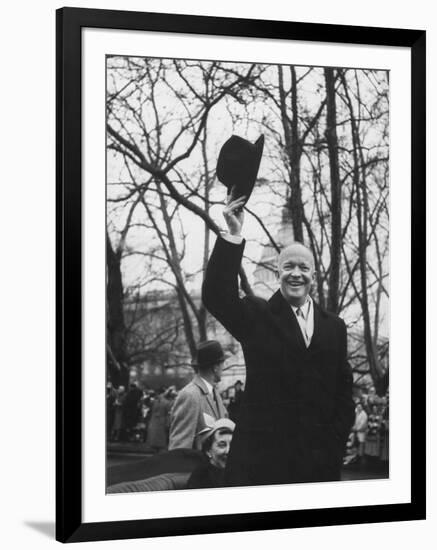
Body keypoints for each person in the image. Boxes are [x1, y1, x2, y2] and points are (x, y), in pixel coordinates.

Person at [202, 195, 355, 486]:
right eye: (288, 267)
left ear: (314, 274)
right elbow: (216, 296)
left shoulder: (335, 327)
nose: (296, 274)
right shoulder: (258, 315)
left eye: (303, 268)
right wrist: (233, 236)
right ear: (277, 272)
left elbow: (343, 394)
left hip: (318, 466)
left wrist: (333, 445)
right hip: (263, 465)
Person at [169, 340, 228, 450]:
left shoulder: (215, 394)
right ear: (215, 367)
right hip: (199, 467)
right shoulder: (190, 395)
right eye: (222, 363)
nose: (223, 368)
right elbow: (179, 449)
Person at [186, 418, 235, 489]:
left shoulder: (240, 472)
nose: (228, 451)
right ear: (208, 450)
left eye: (233, 445)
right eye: (222, 445)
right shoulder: (200, 476)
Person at [146, 387, 175, 452]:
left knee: (156, 440)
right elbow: (169, 413)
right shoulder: (166, 402)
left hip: (155, 422)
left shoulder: (155, 401)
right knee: (160, 441)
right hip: (161, 422)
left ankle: (156, 453)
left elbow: (147, 404)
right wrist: (168, 423)